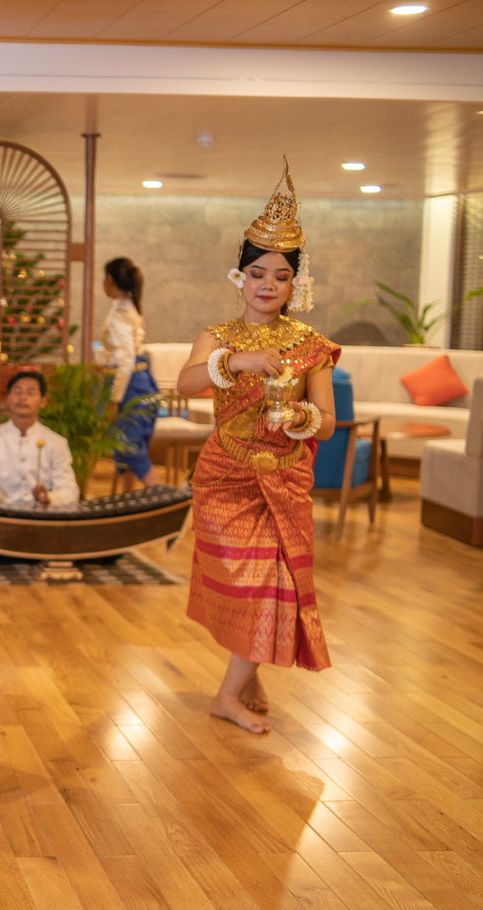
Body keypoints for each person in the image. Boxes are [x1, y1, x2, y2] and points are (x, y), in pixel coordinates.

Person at [176, 161, 337, 735]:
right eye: (257, 273)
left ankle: (234, 686)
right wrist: (236, 361)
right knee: (246, 585)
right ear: (239, 277)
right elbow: (185, 383)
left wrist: (299, 416)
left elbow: (327, 425)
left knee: (274, 584)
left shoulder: (312, 346)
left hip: (286, 477)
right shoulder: (218, 337)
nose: (268, 284)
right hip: (226, 477)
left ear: (297, 284)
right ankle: (238, 684)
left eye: (282, 276)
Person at [0, 370, 79, 507]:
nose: (23, 397)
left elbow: (70, 491)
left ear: (43, 401)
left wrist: (49, 497)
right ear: (8, 398)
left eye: (31, 392)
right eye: (17, 391)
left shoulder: (57, 443)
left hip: (42, 515)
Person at [101, 256, 161, 487]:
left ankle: (163, 494)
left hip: (131, 384)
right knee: (124, 450)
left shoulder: (121, 315)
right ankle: (129, 498)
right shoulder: (125, 306)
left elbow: (126, 361)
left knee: (130, 447)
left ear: (109, 280)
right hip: (138, 379)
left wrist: (114, 398)